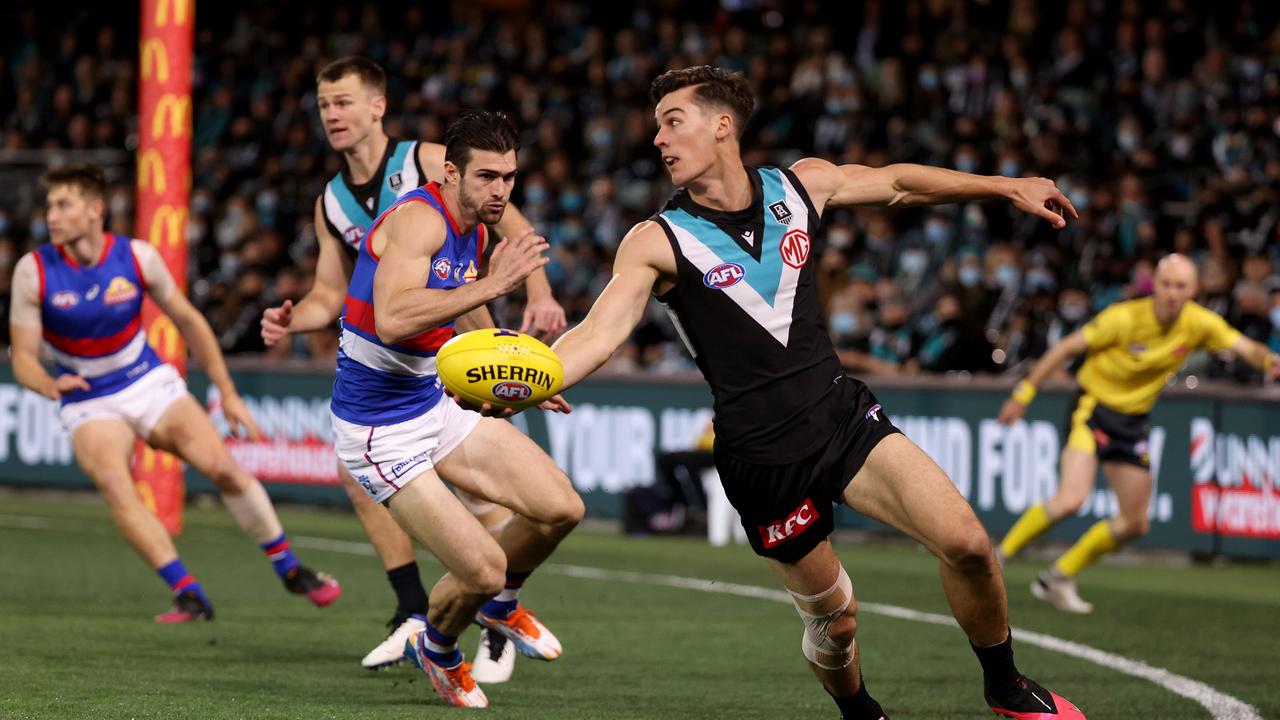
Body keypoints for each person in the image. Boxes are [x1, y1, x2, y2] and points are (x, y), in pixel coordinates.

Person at [547, 66, 1085, 720]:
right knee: (839, 622)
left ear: (723, 126)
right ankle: (860, 713)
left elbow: (896, 183)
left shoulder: (800, 186)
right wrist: (538, 376)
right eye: (657, 125)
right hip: (762, 459)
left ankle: (1005, 687)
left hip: (840, 415)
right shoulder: (655, 241)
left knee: (968, 543)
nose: (658, 139)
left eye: (672, 121)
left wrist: (1005, 187)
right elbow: (600, 331)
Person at [260, 56, 566, 678]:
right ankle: (425, 617)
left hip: (432, 373)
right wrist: (294, 320)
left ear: (378, 106)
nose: (332, 115)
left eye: (343, 102)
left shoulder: (431, 161)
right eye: (324, 106)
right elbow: (335, 293)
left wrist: (535, 299)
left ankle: (490, 613)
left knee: (522, 515)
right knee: (455, 534)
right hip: (388, 379)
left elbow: (500, 216)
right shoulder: (333, 202)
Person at [327, 110, 583, 708]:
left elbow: (463, 314)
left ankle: (499, 609)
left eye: (510, 178)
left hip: (432, 404)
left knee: (561, 508)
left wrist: (513, 377)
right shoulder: (420, 219)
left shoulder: (477, 228)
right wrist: (495, 286)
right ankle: (439, 648)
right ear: (450, 172)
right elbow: (393, 318)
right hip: (378, 430)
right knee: (483, 566)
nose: (500, 191)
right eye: (488, 176)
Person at [8, 164, 341, 622]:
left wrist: (227, 392)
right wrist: (48, 384)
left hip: (145, 377)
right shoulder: (34, 270)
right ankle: (187, 592)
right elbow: (23, 355)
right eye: (50, 206)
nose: (53, 215)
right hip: (86, 394)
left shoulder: (137, 257)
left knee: (222, 466)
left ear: (95, 211)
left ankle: (289, 568)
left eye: (64, 204)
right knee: (114, 484)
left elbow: (189, 321)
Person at [996, 254, 1280, 613]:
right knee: (1071, 498)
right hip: (1093, 407)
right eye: (1166, 285)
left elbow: (1244, 347)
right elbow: (1066, 348)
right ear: (1154, 286)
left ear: (1194, 290)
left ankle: (1057, 577)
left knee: (1135, 522)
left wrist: (1269, 360)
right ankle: (997, 560)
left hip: (1131, 422)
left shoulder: (1199, 323)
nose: (1173, 293)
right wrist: (1023, 394)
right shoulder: (1124, 317)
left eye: (1181, 286)